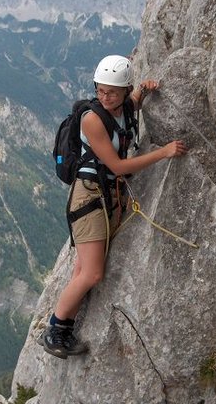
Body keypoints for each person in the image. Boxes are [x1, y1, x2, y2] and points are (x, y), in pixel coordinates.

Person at [39, 55, 188, 359]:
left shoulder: (124, 107)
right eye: (100, 91)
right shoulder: (92, 119)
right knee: (92, 274)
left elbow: (131, 103)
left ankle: (64, 326)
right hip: (89, 197)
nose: (105, 97)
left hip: (103, 197)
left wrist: (144, 90)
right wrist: (163, 153)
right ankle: (54, 330)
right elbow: (118, 166)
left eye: (112, 92)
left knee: (83, 268)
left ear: (123, 92)